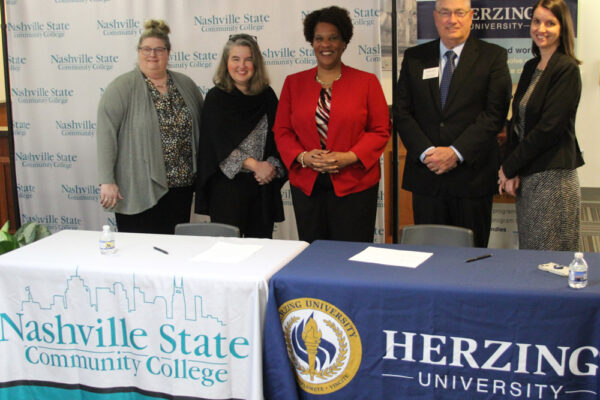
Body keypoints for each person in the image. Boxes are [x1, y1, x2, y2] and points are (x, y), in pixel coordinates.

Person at [395, 0, 511, 247]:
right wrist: (429, 153)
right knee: (428, 259)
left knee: (472, 259)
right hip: (428, 177)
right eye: (445, 13)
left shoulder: (493, 57)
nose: (452, 19)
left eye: (459, 13)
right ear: (436, 17)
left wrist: (455, 153)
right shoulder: (415, 58)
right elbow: (403, 113)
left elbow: (494, 115)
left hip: (472, 178)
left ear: (471, 16)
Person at [274, 6, 390, 243]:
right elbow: (282, 131)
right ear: (311, 42)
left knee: (351, 258)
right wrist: (303, 157)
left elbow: (380, 130)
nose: (325, 45)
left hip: (355, 185)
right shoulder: (293, 83)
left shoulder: (366, 82)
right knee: (314, 257)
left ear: (344, 43)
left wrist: (349, 156)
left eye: (333, 38)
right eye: (319, 38)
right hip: (308, 186)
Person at [97, 19, 203, 234]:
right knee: (140, 251)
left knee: (173, 249)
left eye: (158, 49)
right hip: (137, 186)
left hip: (180, 188)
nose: (152, 54)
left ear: (168, 52)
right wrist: (107, 181)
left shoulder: (186, 85)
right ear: (138, 52)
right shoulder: (121, 88)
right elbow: (106, 136)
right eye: (146, 49)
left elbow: (203, 126)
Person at [498, 0, 583, 251]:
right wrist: (510, 168)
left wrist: (510, 166)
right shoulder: (531, 67)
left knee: (552, 260)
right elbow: (517, 123)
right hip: (529, 177)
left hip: (553, 180)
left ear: (563, 28)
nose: (541, 29)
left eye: (550, 23)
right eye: (536, 21)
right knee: (531, 253)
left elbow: (549, 129)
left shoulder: (566, 69)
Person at [195, 34, 285, 238]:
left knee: (261, 252)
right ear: (226, 62)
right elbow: (216, 145)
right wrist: (255, 165)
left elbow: (279, 137)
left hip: (262, 186)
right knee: (229, 253)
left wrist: (269, 167)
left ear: (256, 63)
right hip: (227, 189)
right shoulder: (215, 98)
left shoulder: (267, 95)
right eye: (235, 59)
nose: (241, 65)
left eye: (248, 59)